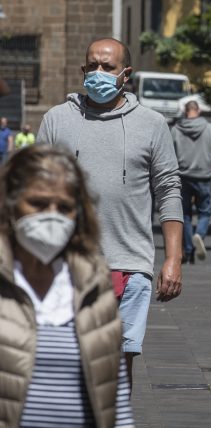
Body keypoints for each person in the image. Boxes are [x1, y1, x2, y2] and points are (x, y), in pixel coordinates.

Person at [0, 145, 153, 428]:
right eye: (38, 204)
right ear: (10, 206)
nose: (52, 217)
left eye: (64, 208)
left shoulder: (90, 282)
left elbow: (110, 384)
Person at [37, 37, 183, 387]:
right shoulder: (56, 120)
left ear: (126, 74)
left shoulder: (151, 124)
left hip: (130, 265)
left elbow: (169, 191)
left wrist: (173, 259)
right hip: (66, 266)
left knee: (118, 367)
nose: (99, 73)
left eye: (108, 67)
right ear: (83, 69)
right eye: (93, 66)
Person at [172, 100, 211, 264]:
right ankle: (199, 234)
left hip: (183, 176)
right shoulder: (210, 129)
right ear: (198, 111)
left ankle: (188, 249)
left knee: (185, 215)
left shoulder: (175, 130)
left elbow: (168, 153)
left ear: (185, 111)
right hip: (204, 176)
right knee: (205, 212)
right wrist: (210, 160)